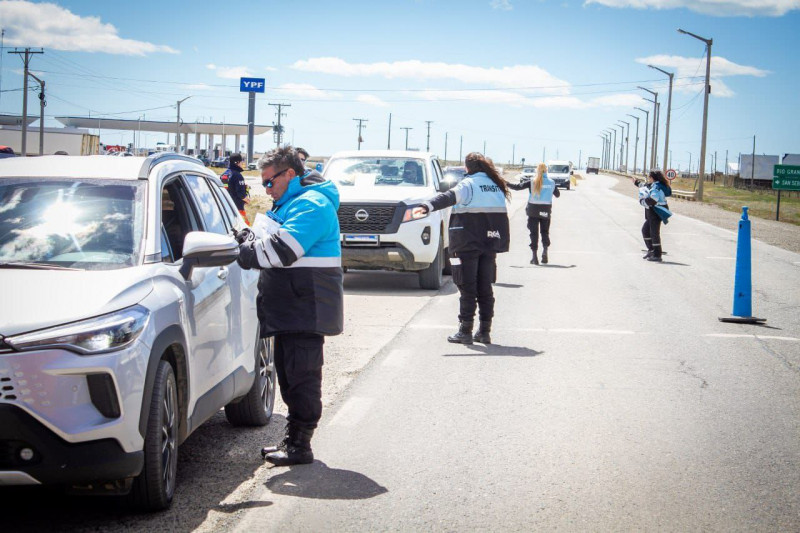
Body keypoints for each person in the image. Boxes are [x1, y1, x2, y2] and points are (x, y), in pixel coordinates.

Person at [235, 146, 343, 466]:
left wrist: (245, 249)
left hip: (306, 307)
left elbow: (282, 250)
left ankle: (301, 445)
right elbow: (265, 237)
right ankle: (293, 438)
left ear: (290, 175)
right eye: (263, 184)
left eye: (270, 182)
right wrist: (248, 236)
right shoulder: (288, 203)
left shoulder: (312, 205)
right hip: (292, 306)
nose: (267, 189)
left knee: (302, 377)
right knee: (289, 374)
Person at [419, 152, 510, 345]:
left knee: (467, 287)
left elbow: (449, 196)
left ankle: (465, 330)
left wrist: (427, 205)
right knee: (485, 288)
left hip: (466, 243)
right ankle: (484, 331)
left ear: (467, 167)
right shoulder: (496, 185)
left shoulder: (469, 184)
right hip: (490, 243)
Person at [508, 162, 560, 265]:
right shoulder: (552, 182)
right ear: (546, 170)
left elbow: (517, 187)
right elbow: (557, 195)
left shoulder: (532, 182)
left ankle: (534, 257)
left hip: (533, 210)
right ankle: (545, 251)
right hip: (545, 210)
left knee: (534, 233)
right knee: (544, 232)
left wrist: (505, 182)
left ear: (537, 170)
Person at [635, 170, 672, 262]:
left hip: (655, 211)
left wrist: (642, 201)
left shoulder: (656, 186)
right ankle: (652, 250)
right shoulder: (657, 184)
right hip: (655, 211)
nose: (648, 179)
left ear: (652, 178)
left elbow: (653, 199)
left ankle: (657, 255)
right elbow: (645, 186)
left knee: (654, 233)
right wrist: (636, 182)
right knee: (646, 230)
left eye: (649, 177)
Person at [222, 153, 250, 225]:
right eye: (241, 161)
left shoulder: (224, 174)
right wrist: (247, 199)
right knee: (246, 227)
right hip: (237, 208)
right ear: (237, 162)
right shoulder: (238, 175)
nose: (242, 163)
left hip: (225, 207)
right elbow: (241, 194)